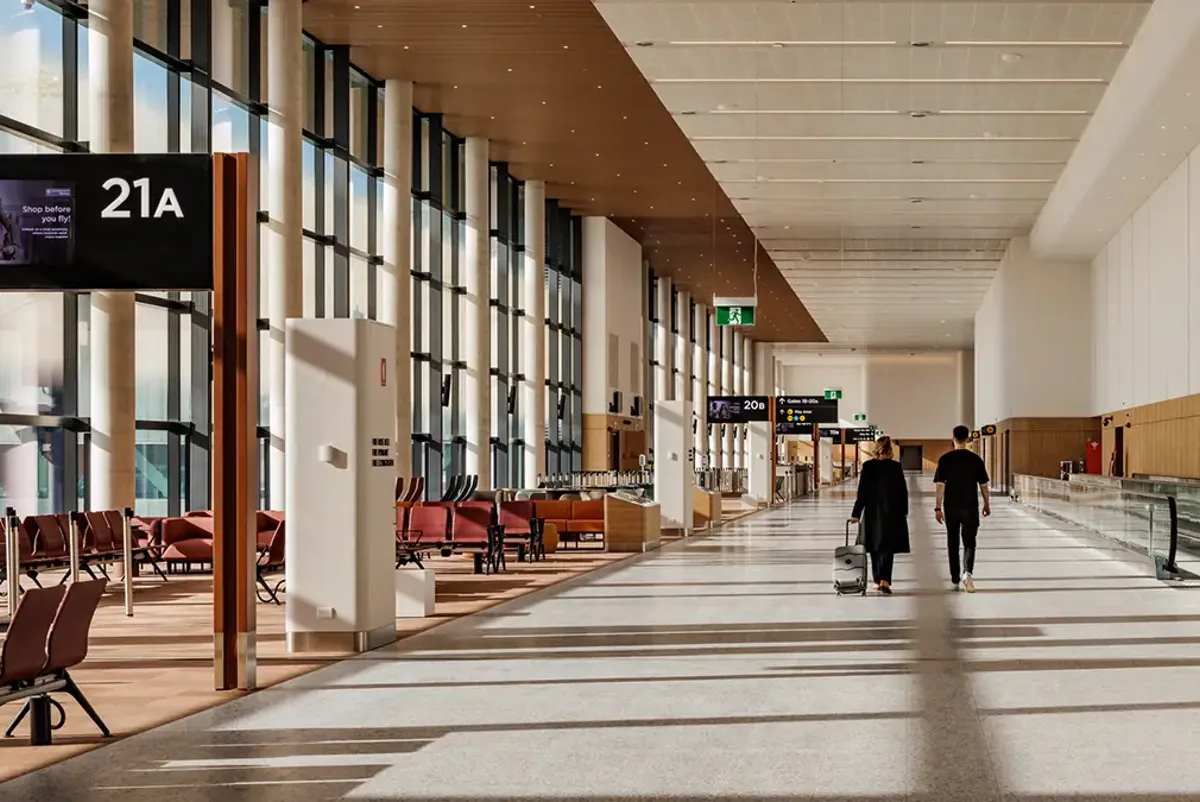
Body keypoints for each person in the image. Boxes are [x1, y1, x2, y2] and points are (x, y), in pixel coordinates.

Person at [934, 425, 991, 593]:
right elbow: (983, 485)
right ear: (967, 439)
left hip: (951, 507)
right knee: (969, 542)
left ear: (953, 439)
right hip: (970, 507)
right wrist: (987, 503)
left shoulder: (945, 459)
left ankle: (954, 576)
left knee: (952, 542)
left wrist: (938, 507)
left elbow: (939, 485)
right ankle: (968, 572)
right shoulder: (975, 459)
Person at [850, 435, 910, 595]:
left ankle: (877, 581)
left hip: (872, 513)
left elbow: (861, 493)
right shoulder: (896, 467)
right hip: (892, 513)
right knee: (887, 548)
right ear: (890, 450)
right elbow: (903, 491)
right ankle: (884, 581)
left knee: (874, 547)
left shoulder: (868, 466)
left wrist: (856, 514)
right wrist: (904, 511)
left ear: (875, 449)